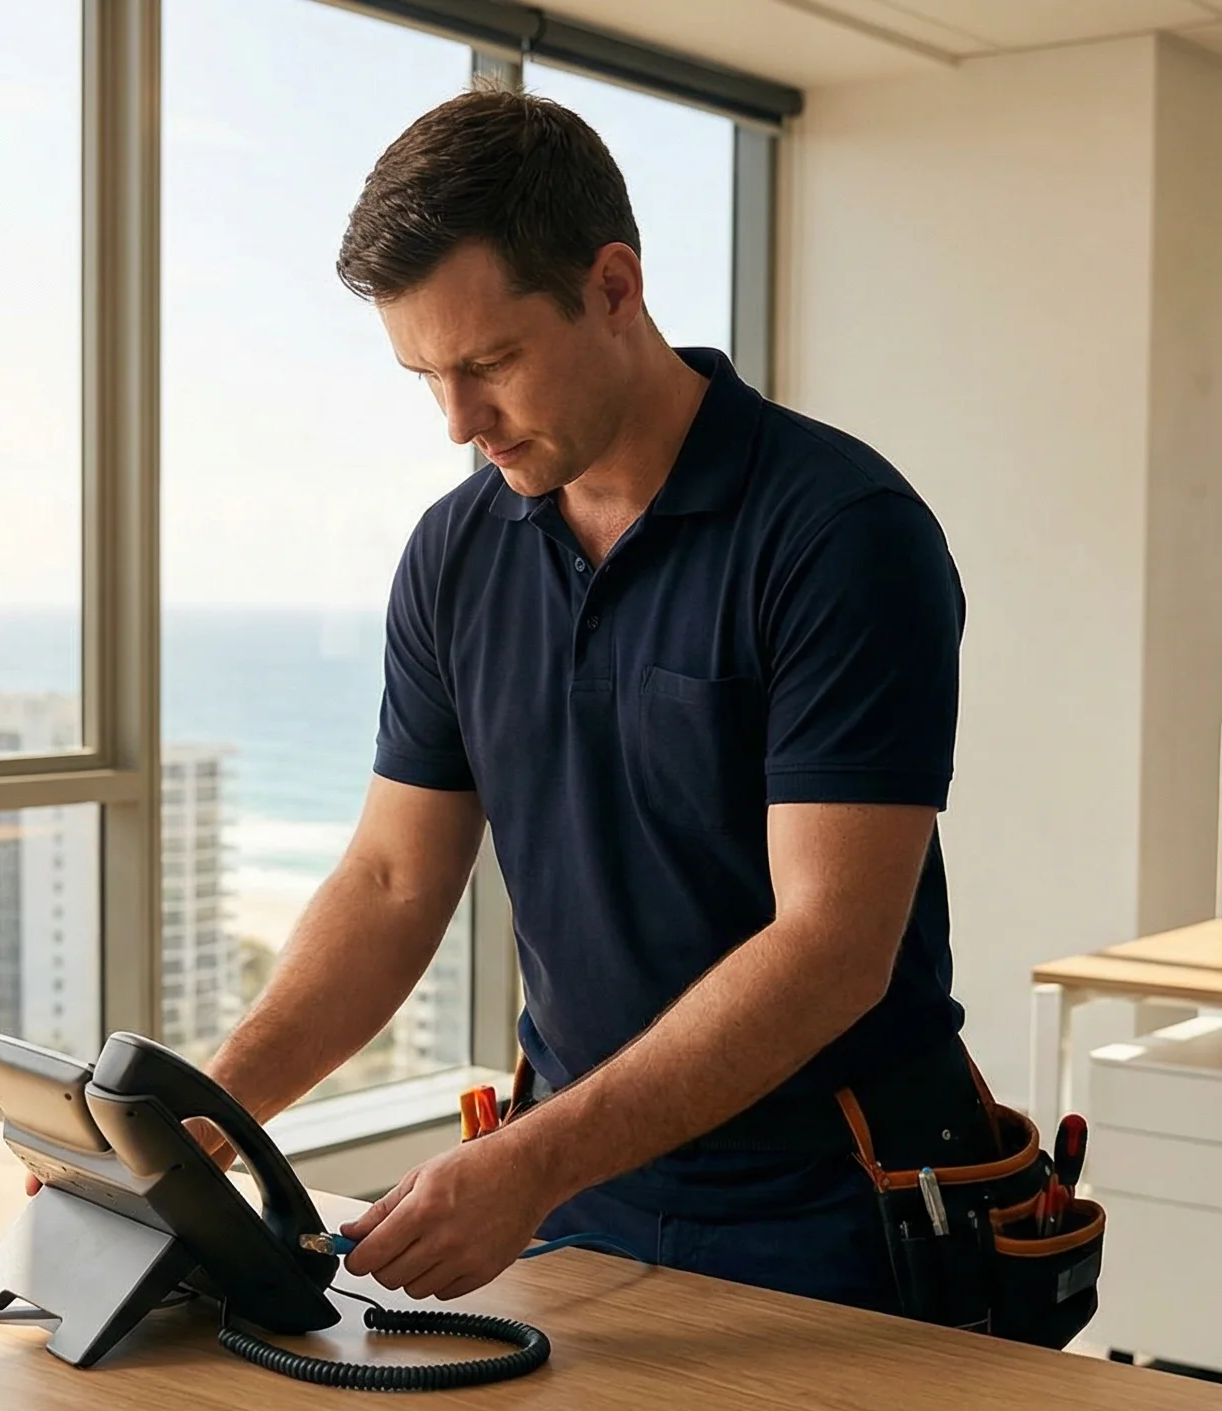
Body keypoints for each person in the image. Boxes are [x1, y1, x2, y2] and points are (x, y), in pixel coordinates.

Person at [200, 84, 985, 1313]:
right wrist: (212, 1110)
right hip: (572, 1198)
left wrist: (525, 1163)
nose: (459, 422)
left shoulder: (840, 534)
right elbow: (393, 882)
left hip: (832, 1210)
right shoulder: (455, 553)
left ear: (614, 287)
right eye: (423, 377)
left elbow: (833, 949)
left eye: (490, 363)